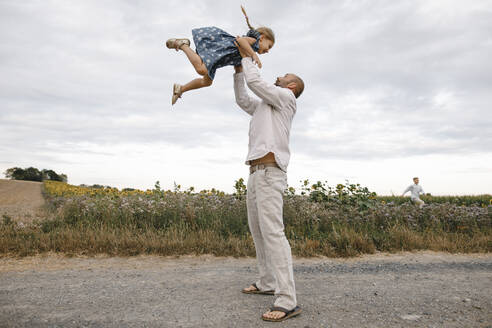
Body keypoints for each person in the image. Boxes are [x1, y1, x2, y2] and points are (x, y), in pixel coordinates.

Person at [233, 39, 304, 322]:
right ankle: (267, 282)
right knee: (258, 231)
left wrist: (249, 55)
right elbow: (243, 98)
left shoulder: (285, 99)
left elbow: (257, 83)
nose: (281, 74)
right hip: (255, 173)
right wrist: (238, 67)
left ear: (292, 87)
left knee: (273, 233)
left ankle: (288, 300)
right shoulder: (265, 105)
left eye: (285, 75)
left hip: (271, 172)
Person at [165, 6, 275, 105]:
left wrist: (240, 69)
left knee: (207, 82)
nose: (268, 50)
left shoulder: (248, 53)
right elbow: (241, 40)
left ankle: (181, 89)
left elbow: (239, 67)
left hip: (218, 59)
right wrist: (254, 55)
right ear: (262, 38)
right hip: (218, 49)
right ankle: (183, 45)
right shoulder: (254, 42)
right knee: (202, 70)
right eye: (269, 46)